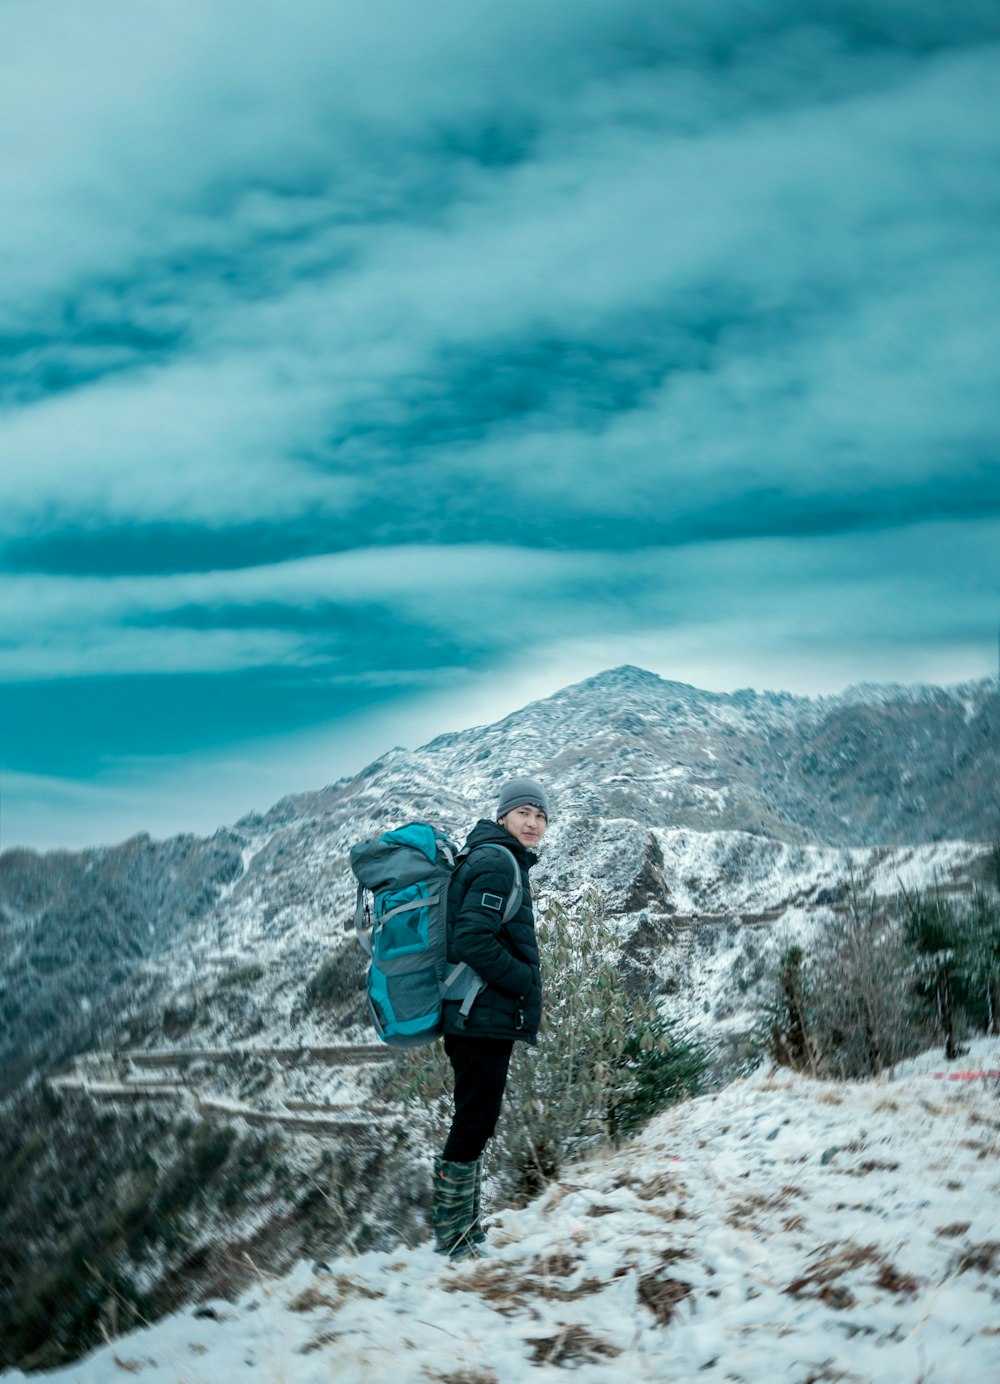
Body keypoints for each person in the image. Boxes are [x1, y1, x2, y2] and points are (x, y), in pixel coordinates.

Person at [431, 776, 549, 1260]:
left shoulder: (496, 859)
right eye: (524, 812)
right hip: (478, 1014)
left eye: (541, 817)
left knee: (478, 1119)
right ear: (503, 816)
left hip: (478, 1013)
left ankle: (468, 1228)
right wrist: (524, 980)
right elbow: (472, 940)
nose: (534, 823)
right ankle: (454, 1237)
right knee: (474, 1122)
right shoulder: (498, 864)